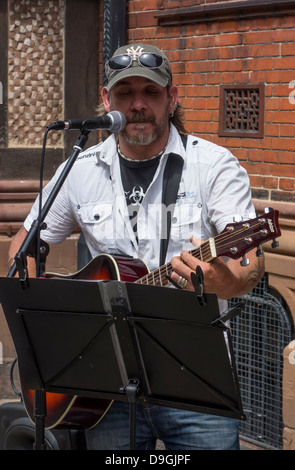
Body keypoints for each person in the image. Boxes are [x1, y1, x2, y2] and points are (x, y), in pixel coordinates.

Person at [8, 43, 264, 450]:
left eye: (151, 92)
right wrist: (55, 328)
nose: (138, 104)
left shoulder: (213, 167)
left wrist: (222, 281)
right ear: (107, 100)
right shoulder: (81, 168)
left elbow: (250, 266)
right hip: (106, 385)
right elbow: (26, 245)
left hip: (194, 381)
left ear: (172, 98)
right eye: (125, 93)